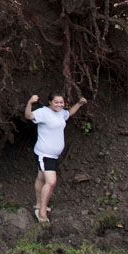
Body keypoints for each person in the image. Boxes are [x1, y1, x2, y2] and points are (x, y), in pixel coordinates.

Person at [24, 93, 88, 223]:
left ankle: (38, 204)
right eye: (56, 102)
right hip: (44, 154)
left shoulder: (61, 113)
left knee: (41, 178)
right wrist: (30, 103)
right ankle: (42, 211)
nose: (59, 104)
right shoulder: (43, 112)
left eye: (61, 102)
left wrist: (79, 104)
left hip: (53, 155)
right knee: (51, 182)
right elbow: (28, 116)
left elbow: (69, 114)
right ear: (50, 102)